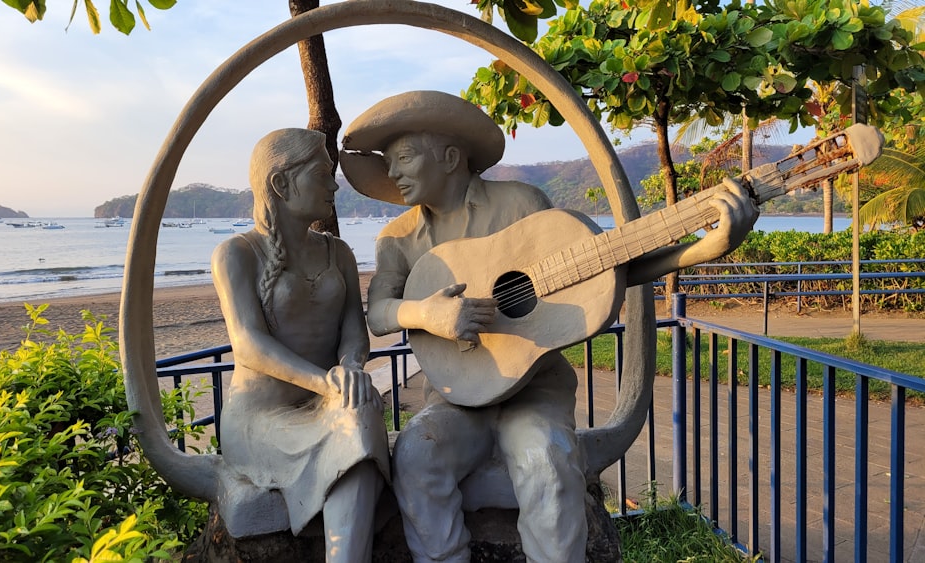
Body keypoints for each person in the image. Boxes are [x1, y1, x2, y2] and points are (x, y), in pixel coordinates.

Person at [339, 90, 758, 563]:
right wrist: (426, 314)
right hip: (456, 397)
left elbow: (604, 273)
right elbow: (378, 313)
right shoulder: (396, 238)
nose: (392, 173)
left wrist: (706, 248)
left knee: (546, 460)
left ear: (452, 157)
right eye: (388, 163)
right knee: (415, 456)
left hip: (535, 390)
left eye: (405, 158)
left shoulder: (521, 204)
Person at [211, 128, 389, 562]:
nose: (334, 185)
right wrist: (327, 383)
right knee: (356, 427)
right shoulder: (236, 253)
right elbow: (248, 344)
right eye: (323, 174)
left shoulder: (339, 253)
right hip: (260, 419)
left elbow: (353, 330)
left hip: (327, 405)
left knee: (359, 416)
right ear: (281, 183)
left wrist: (349, 368)